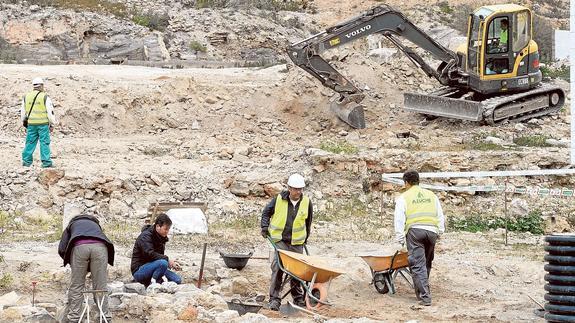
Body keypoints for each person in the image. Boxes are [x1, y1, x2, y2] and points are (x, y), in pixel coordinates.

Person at [261, 173, 313, 311]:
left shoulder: (307, 202)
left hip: (297, 242)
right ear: (289, 188)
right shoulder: (278, 199)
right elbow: (266, 213)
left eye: (301, 189)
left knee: (297, 271)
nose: (298, 192)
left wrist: (304, 239)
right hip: (280, 241)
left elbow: (308, 223)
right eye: (296, 189)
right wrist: (264, 227)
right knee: (278, 267)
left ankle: (298, 298)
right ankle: (274, 299)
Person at [394, 170, 444, 306]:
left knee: (417, 265)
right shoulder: (431, 195)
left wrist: (399, 239)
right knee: (426, 263)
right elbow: (440, 214)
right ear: (418, 181)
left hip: (415, 232)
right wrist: (440, 231)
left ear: (406, 182)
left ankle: (425, 297)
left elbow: (399, 219)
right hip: (432, 231)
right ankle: (422, 291)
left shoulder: (404, 197)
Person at [58, 214, 115, 323]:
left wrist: (72, 262)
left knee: (77, 285)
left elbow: (62, 248)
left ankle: (74, 318)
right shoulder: (96, 225)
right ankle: (104, 318)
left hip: (80, 248)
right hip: (100, 249)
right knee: (100, 285)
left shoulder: (72, 225)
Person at [131, 213, 182, 286]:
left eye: (168, 229)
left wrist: (171, 264)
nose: (167, 232)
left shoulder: (161, 237)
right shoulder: (145, 236)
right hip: (139, 270)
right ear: (158, 226)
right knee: (163, 263)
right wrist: (167, 260)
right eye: (166, 229)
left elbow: (159, 256)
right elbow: (150, 254)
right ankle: (153, 284)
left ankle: (153, 280)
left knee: (177, 280)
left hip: (154, 267)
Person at [21, 77, 57, 168]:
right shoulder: (45, 97)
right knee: (44, 143)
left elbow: (23, 112)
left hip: (31, 124)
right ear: (41, 86)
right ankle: (46, 163)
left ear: (33, 86)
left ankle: (26, 162)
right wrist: (52, 124)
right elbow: (50, 112)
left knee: (29, 142)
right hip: (43, 125)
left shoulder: (26, 96)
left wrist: (24, 122)